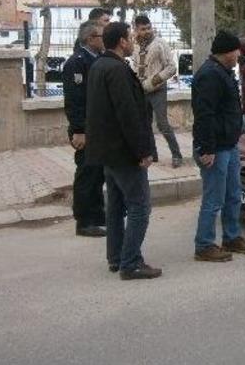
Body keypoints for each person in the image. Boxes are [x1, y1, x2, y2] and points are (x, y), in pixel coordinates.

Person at [85, 22, 161, 280]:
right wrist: (143, 151)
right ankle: (130, 262)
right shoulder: (117, 70)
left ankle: (116, 257)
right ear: (121, 42)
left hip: (108, 152)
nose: (133, 41)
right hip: (123, 153)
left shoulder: (99, 66)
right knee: (140, 207)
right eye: (130, 37)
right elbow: (128, 115)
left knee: (116, 207)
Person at [192, 30, 245, 262]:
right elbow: (204, 115)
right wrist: (206, 149)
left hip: (229, 144)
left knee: (233, 194)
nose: (239, 54)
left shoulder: (225, 72)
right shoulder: (210, 75)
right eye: (236, 50)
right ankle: (204, 245)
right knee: (214, 199)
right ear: (227, 52)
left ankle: (231, 237)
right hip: (215, 148)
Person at [62, 21, 107, 238]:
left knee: (98, 174)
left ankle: (97, 216)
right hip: (85, 129)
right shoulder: (77, 62)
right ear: (90, 39)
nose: (104, 39)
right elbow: (75, 100)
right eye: (101, 36)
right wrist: (79, 130)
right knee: (87, 174)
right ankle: (84, 221)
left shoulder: (97, 59)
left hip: (98, 128)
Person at [133, 15, 183, 168]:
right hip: (141, 91)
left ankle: (176, 155)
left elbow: (171, 67)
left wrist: (153, 81)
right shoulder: (135, 45)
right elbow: (136, 66)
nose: (147, 31)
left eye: (149, 28)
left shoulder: (160, 43)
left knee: (162, 124)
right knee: (144, 124)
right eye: (143, 29)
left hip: (157, 90)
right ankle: (152, 154)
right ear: (136, 30)